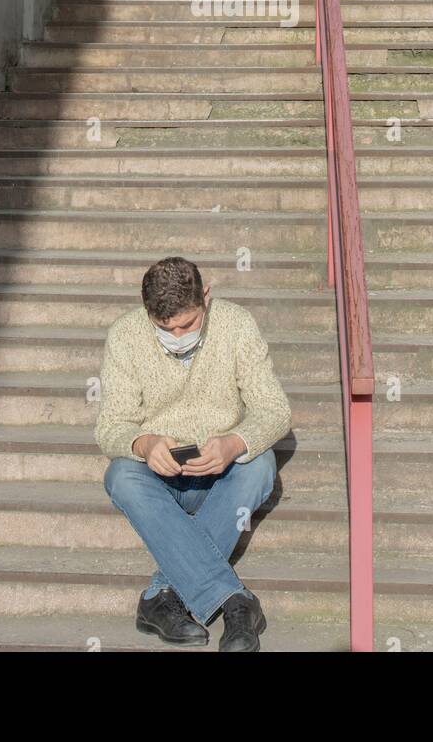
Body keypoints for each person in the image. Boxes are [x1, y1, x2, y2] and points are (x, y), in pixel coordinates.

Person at [95, 255, 292, 652]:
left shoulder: (236, 325)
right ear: (146, 309)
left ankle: (161, 596)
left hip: (222, 473)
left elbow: (275, 410)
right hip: (159, 476)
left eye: (188, 324)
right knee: (120, 477)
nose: (178, 334)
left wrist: (234, 442)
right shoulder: (124, 335)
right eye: (165, 328)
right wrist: (144, 444)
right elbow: (110, 426)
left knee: (261, 466)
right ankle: (236, 602)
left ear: (206, 295)